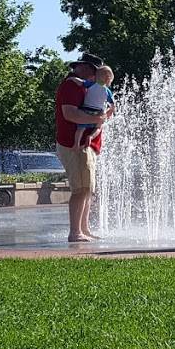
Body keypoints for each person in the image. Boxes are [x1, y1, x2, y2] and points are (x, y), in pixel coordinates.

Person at [55, 52, 108, 243]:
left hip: (86, 145)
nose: (97, 76)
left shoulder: (87, 87)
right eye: (96, 72)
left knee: (87, 188)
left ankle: (83, 229)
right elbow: (70, 114)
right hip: (73, 145)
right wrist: (96, 119)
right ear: (85, 68)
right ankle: (75, 232)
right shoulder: (71, 85)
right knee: (80, 189)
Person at [75, 64, 115, 148]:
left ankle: (76, 145)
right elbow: (112, 105)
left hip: (85, 110)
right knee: (98, 128)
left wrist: (73, 79)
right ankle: (91, 136)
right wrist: (108, 114)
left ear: (96, 76)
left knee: (80, 128)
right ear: (109, 80)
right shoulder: (107, 91)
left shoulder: (91, 84)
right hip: (98, 112)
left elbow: (81, 82)